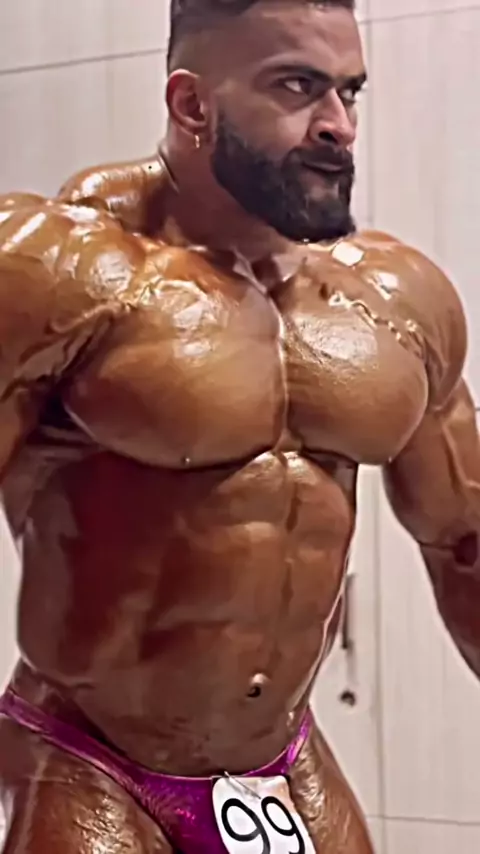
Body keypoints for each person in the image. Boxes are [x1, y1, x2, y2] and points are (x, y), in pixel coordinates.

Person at [0, 0, 479, 851]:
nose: (338, 125)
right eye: (297, 86)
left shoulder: (395, 300)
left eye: (348, 92)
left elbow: (465, 542)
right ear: (192, 104)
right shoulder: (57, 269)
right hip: (89, 759)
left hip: (282, 762)